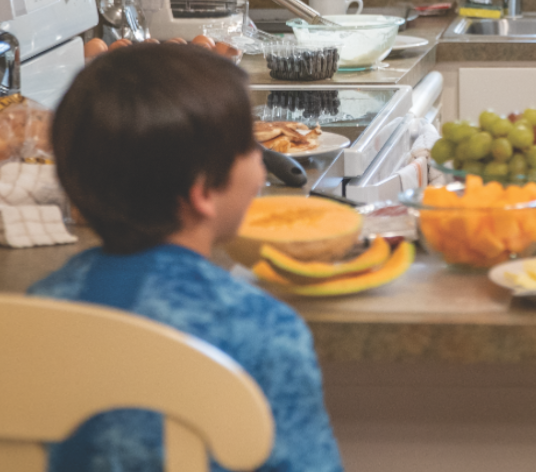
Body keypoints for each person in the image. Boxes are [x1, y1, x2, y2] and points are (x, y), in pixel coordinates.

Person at [29, 43, 343, 472]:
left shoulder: (39, 308)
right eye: (250, 147)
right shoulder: (264, 331)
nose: (263, 162)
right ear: (203, 193)